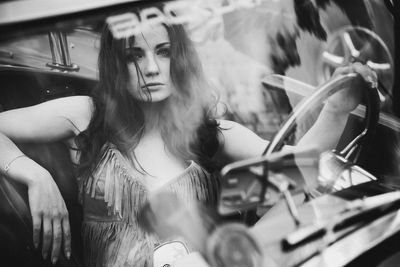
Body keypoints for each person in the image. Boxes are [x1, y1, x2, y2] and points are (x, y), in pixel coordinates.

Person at [0, 6, 376, 267]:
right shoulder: (89, 115)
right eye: (134, 56)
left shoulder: (209, 133)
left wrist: (337, 109)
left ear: (178, 59)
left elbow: (301, 167)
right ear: (118, 65)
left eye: (163, 52)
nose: (150, 68)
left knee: (283, 190)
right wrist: (34, 174)